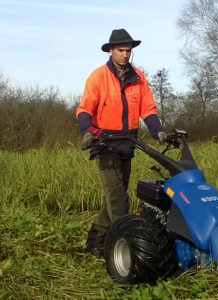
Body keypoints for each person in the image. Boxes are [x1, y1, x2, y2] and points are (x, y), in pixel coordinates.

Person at [76, 29, 166, 257]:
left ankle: (95, 241)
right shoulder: (98, 77)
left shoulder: (139, 78)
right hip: (104, 145)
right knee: (118, 198)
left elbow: (148, 110)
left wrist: (159, 132)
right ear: (111, 51)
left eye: (128, 51)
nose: (125, 55)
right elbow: (84, 108)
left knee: (115, 197)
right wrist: (88, 131)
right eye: (121, 50)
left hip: (127, 145)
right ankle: (124, 249)